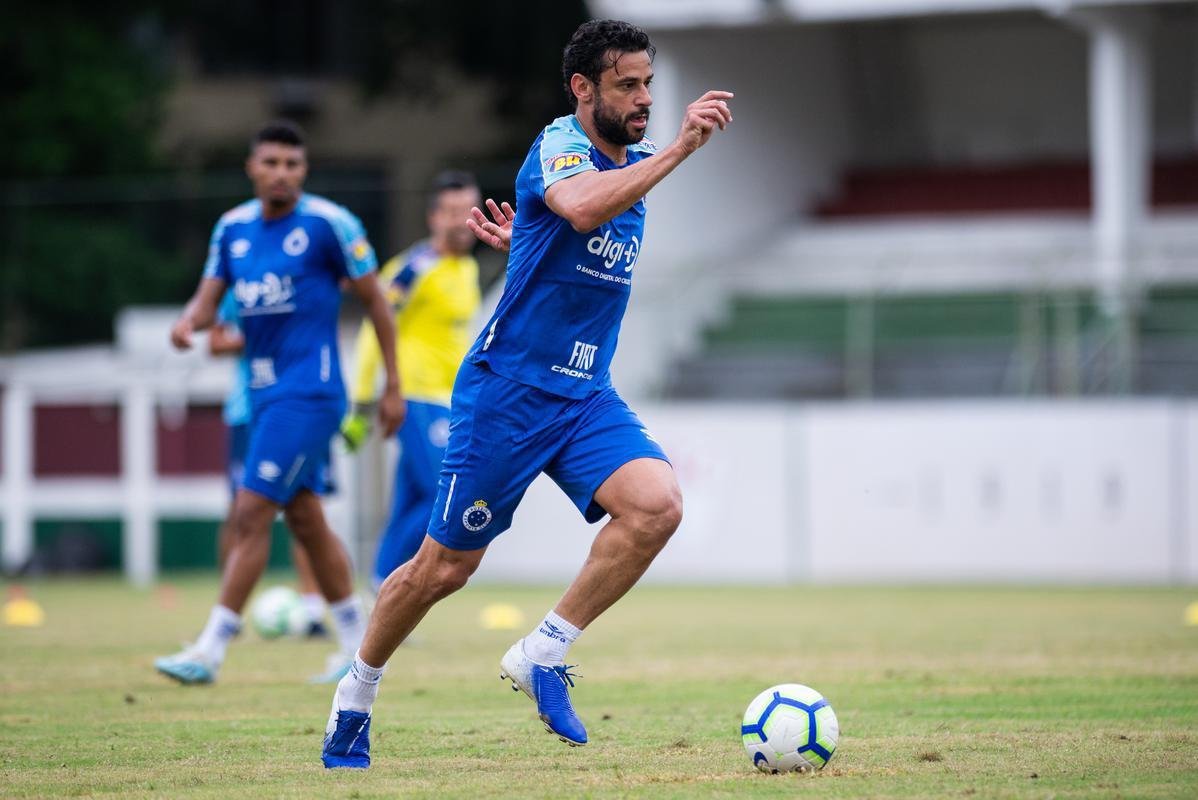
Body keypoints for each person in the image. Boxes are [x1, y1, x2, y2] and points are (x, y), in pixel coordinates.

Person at [321, 19, 732, 768]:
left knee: (657, 507)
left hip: (583, 395)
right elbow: (578, 206)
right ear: (583, 89)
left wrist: (532, 243)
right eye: (627, 85)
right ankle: (356, 692)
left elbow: (568, 228)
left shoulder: (626, 168)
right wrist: (680, 147)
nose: (644, 98)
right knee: (442, 569)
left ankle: (542, 653)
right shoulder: (560, 145)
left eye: (648, 83)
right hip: (507, 392)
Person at [156, 120, 404, 685]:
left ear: (304, 170)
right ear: (252, 168)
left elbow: (378, 305)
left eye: (292, 165)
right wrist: (186, 323)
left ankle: (209, 650)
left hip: (311, 393)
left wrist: (392, 385)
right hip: (263, 395)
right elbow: (208, 298)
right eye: (271, 163)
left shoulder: (329, 224)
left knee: (250, 513)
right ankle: (352, 644)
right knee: (306, 518)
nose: (282, 174)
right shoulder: (232, 229)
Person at [340, 171, 482, 591]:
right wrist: (364, 403)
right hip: (416, 398)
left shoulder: (468, 267)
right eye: (452, 212)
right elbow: (372, 331)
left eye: (468, 211)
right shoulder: (412, 270)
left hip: (450, 402)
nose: (462, 221)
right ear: (434, 217)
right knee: (443, 497)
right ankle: (396, 589)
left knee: (411, 504)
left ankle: (380, 596)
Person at [210, 292, 329, 639]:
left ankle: (313, 612)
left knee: (306, 509)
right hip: (248, 412)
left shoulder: (306, 277)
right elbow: (215, 342)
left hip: (301, 409)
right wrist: (259, 336)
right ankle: (227, 615)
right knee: (240, 511)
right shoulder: (240, 286)